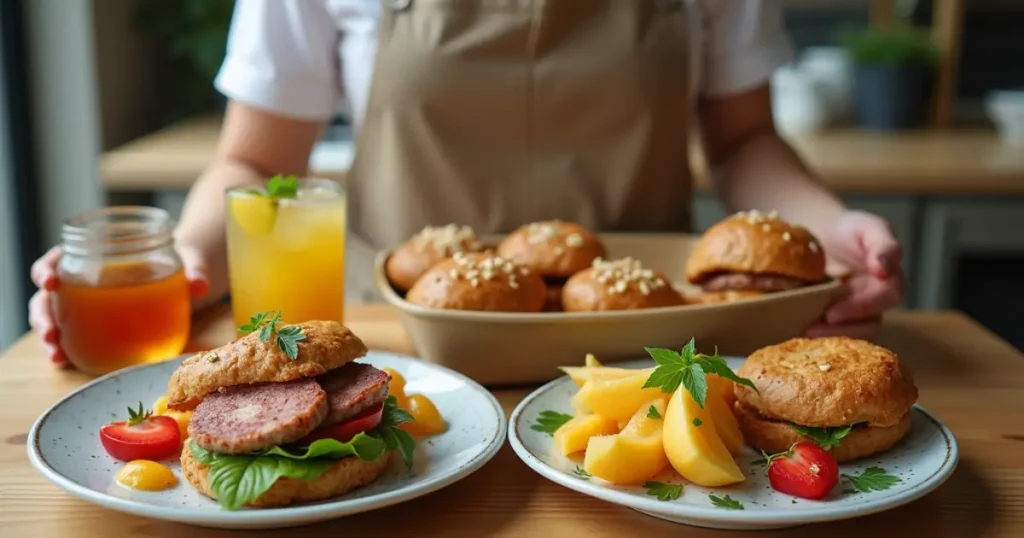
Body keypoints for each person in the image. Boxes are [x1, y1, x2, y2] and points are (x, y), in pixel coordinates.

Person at [29, 0, 904, 368]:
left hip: (653, 355)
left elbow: (743, 137)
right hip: (396, 352)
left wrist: (828, 227)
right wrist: (178, 265)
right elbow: (257, 167)